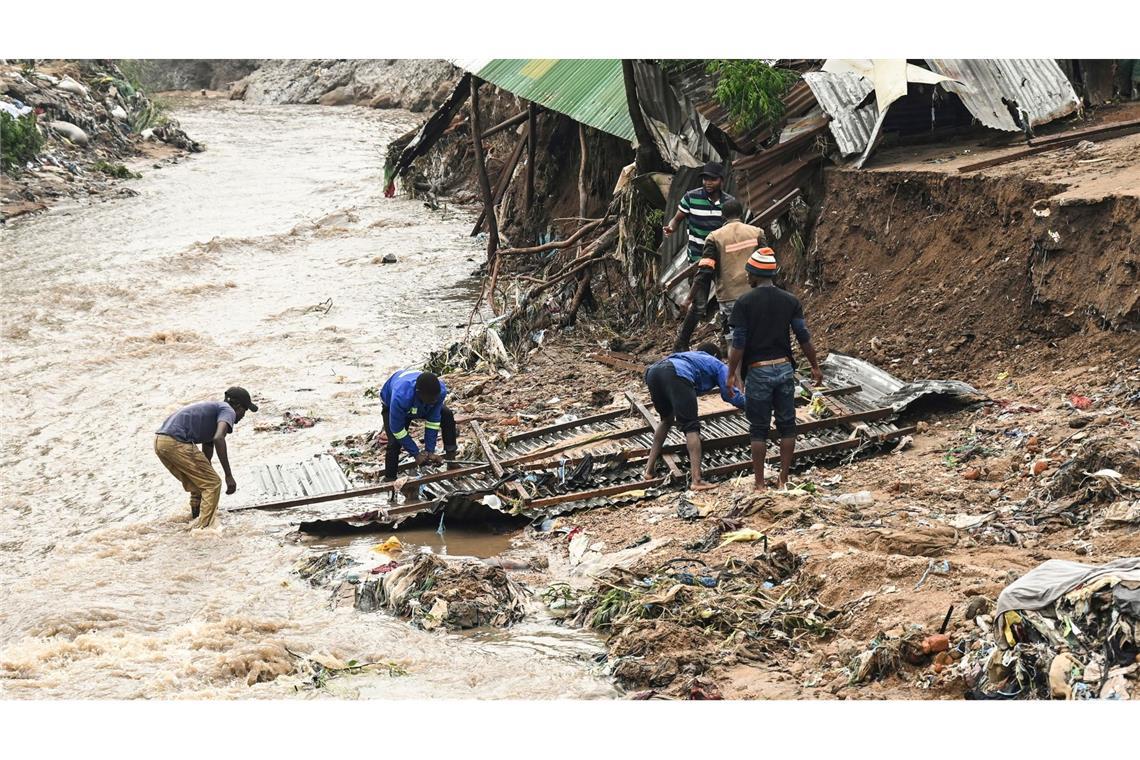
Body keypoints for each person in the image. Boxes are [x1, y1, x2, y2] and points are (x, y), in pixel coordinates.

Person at [727, 250, 823, 491]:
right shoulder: (790, 300)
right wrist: (814, 365)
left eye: (748, 272)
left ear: (755, 275)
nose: (747, 276)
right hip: (783, 369)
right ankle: (783, 480)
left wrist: (731, 374)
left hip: (758, 371)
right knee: (787, 426)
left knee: (758, 430)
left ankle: (759, 484)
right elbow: (803, 336)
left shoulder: (744, 303)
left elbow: (738, 343)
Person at [642, 342, 746, 490]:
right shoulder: (716, 363)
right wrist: (751, 404)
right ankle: (696, 480)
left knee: (666, 419)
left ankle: (648, 470)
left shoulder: (689, 357)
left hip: (653, 372)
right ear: (716, 355)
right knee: (691, 427)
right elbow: (730, 395)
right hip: (676, 373)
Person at [154, 386, 258, 529]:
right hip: (176, 442)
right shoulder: (228, 410)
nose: (243, 415)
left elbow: (208, 443)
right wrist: (228, 475)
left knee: (201, 482)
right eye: (244, 411)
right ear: (238, 406)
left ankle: (195, 517)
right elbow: (218, 438)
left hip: (161, 442)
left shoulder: (214, 409)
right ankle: (203, 529)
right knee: (213, 484)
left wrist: (206, 466)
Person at [663, 162, 736, 353]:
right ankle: (681, 342)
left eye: (712, 179)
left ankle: (726, 342)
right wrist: (671, 228)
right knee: (699, 305)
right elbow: (677, 219)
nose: (708, 183)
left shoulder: (729, 203)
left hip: (722, 261)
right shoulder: (691, 198)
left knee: (726, 302)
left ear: (721, 180)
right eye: (705, 179)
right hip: (697, 260)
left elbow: (734, 229)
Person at [686, 198, 766, 346]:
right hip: (756, 293)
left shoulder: (714, 237)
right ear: (741, 213)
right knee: (760, 333)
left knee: (736, 340)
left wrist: (689, 297)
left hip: (730, 296)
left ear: (722, 216)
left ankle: (738, 368)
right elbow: (767, 263)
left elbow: (704, 271)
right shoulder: (757, 232)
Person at [379, 369, 458, 481]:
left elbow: (433, 422)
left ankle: (452, 461)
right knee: (394, 443)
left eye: (436, 398)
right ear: (418, 392)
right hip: (393, 403)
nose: (434, 401)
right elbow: (398, 430)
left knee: (447, 415)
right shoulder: (400, 397)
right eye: (431, 399)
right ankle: (390, 480)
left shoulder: (439, 393)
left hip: (420, 405)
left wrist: (429, 451)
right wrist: (416, 453)